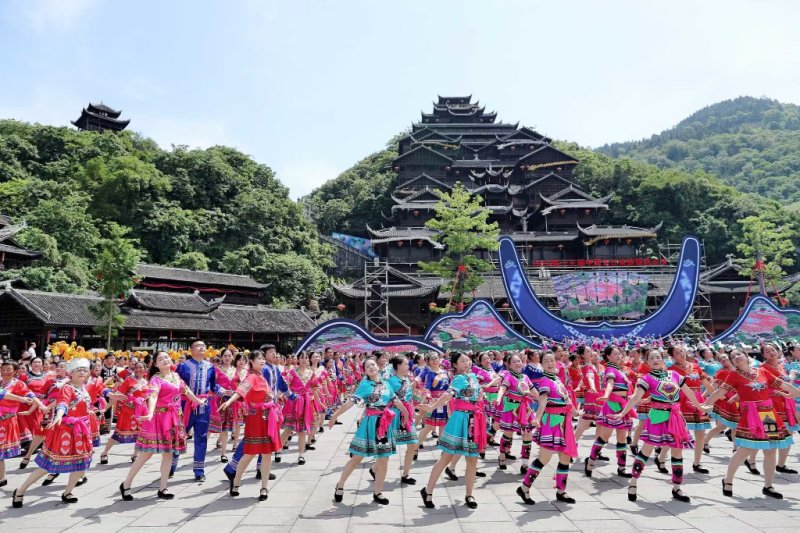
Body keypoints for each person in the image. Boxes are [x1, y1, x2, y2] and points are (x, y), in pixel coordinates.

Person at [612, 349, 707, 503]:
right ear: (647, 362)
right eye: (651, 357)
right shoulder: (646, 378)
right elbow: (636, 397)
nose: (655, 359)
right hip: (657, 417)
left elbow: (688, 392)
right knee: (646, 451)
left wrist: (700, 406)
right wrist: (623, 413)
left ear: (663, 359)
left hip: (675, 417)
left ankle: (677, 487)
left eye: (658, 357)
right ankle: (633, 483)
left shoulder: (675, 375)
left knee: (677, 453)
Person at [704, 349, 800, 499]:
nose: (736, 357)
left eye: (738, 354)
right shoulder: (733, 375)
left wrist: (796, 392)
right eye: (732, 356)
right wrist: (705, 405)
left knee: (771, 449)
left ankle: (768, 486)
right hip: (750, 415)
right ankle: (727, 479)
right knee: (745, 449)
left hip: (768, 414)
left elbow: (782, 384)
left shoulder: (762, 371)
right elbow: (719, 392)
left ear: (746, 356)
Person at [119, 351, 206, 501]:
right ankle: (126, 483)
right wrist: (151, 413)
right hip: (159, 418)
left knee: (169, 454)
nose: (165, 360)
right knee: (146, 453)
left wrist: (198, 401)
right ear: (156, 364)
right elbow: (153, 396)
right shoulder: (155, 379)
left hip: (174, 418)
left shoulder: (175, 376)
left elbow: (186, 390)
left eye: (166, 357)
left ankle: (163, 488)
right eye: (160, 359)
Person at [12, 358, 94, 508]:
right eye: (79, 370)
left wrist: (92, 412)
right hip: (65, 431)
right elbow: (62, 403)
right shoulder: (67, 388)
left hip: (82, 431)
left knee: (82, 463)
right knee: (48, 466)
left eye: (85, 370)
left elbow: (77, 405)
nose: (82, 373)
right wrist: (58, 415)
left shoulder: (83, 388)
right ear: (71, 373)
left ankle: (67, 492)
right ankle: (20, 491)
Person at [329, 358, 406, 505]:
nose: (371, 366)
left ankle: (378, 492)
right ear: (365, 371)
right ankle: (340, 484)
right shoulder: (364, 385)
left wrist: (407, 414)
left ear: (378, 367)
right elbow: (351, 402)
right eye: (367, 366)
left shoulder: (386, 384)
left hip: (384, 425)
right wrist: (335, 415)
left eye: (373, 364)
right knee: (357, 457)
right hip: (370, 424)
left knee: (384, 458)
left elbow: (396, 400)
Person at [419, 351, 487, 510]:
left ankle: (469, 494)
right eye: (462, 361)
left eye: (467, 360)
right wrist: (432, 407)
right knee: (446, 457)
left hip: (474, 420)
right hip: (460, 420)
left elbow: (477, 394)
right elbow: (448, 395)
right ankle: (428, 491)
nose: (466, 363)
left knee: (472, 459)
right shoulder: (458, 378)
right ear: (455, 365)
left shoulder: (473, 377)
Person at [219, 350, 283, 501]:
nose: (262, 360)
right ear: (251, 362)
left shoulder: (262, 376)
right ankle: (236, 482)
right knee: (250, 453)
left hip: (267, 418)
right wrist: (229, 401)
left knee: (267, 453)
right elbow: (241, 390)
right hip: (255, 419)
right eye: (258, 358)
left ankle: (264, 487)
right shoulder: (252, 377)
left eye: (262, 358)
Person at [517, 351, 578, 506]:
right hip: (552, 424)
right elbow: (542, 402)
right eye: (546, 361)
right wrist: (537, 419)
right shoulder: (545, 382)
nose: (550, 363)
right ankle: (524, 487)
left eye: (552, 360)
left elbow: (566, 398)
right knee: (544, 458)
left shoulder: (557, 379)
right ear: (542, 365)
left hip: (564, 423)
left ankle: (561, 491)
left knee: (565, 458)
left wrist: (575, 411)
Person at [172, 339, 227, 481]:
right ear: (191, 350)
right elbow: (176, 385)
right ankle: (171, 466)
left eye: (203, 345)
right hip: (185, 406)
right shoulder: (183, 366)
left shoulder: (210, 367)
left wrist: (226, 392)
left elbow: (213, 386)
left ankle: (199, 470)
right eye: (198, 345)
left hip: (204, 405)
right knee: (179, 435)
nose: (202, 347)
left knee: (201, 438)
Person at [585, 346, 634, 478]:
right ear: (608, 356)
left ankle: (621, 468)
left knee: (622, 438)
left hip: (622, 406)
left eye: (619, 354)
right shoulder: (611, 370)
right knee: (605, 437)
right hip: (613, 405)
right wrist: (606, 394)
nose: (619, 356)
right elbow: (610, 384)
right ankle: (590, 462)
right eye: (615, 354)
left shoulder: (619, 370)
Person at [99, 360, 149, 464]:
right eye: (137, 367)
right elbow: (118, 395)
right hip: (127, 411)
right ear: (133, 369)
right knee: (117, 434)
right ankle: (104, 452)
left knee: (140, 434)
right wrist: (107, 407)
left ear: (145, 369)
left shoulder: (146, 382)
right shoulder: (128, 380)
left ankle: (135, 454)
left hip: (141, 413)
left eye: (141, 367)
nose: (139, 369)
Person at [495, 352, 536, 472]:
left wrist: (544, 401)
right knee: (508, 434)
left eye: (519, 361)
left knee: (528, 435)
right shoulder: (508, 376)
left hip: (526, 410)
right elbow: (502, 388)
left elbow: (534, 392)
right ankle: (502, 456)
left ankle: (524, 464)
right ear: (508, 365)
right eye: (514, 362)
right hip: (512, 410)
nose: (518, 363)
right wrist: (498, 398)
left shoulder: (525, 377)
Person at [0, 361, 38, 487]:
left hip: (6, 421)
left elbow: (30, 396)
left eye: (8, 369)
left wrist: (38, 405)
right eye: (3, 369)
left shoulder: (18, 384)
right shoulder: (1, 382)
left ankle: (2, 478)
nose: (5, 371)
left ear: (15, 371)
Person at [280, 351, 319, 465]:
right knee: (288, 429)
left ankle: (301, 455)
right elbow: (285, 384)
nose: (304, 360)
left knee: (302, 431)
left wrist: (316, 399)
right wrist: (285, 394)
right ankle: (278, 450)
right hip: (293, 402)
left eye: (306, 358)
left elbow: (315, 386)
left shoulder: (311, 373)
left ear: (308, 360)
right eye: (301, 358)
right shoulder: (292, 372)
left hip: (306, 403)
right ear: (297, 360)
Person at [386, 354, 418, 484]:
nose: (408, 366)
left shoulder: (406, 379)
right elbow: (387, 399)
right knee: (388, 446)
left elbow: (409, 396)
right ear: (398, 366)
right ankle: (375, 468)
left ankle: (406, 474)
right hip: (395, 416)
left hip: (407, 415)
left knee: (412, 444)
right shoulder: (390, 381)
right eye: (405, 364)